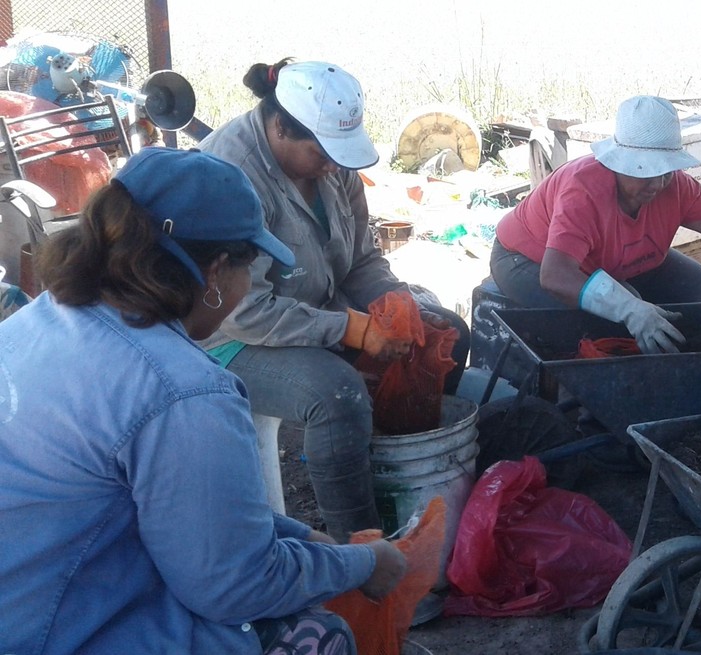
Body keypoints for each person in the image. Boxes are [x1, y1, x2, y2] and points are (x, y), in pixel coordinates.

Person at [0, 148, 407, 654]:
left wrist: (301, 536)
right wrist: (363, 564)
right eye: (248, 268)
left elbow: (180, 501)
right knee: (316, 636)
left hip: (31, 597)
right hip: (48, 633)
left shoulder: (41, 317)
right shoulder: (184, 391)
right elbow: (236, 586)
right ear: (215, 273)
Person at [199, 58, 469, 541]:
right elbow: (242, 311)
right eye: (322, 152)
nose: (332, 165)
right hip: (222, 337)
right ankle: (360, 550)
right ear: (281, 127)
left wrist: (395, 303)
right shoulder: (233, 173)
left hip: (315, 310)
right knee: (336, 394)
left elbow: (361, 259)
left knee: (444, 331)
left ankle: (398, 477)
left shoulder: (334, 167)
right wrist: (355, 329)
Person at [490, 94, 701, 354]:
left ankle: (680, 363)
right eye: (645, 171)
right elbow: (556, 275)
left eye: (665, 171)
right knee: (612, 317)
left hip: (603, 260)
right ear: (618, 163)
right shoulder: (583, 191)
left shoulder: (674, 186)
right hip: (525, 259)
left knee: (694, 282)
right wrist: (628, 308)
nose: (657, 184)